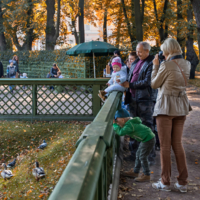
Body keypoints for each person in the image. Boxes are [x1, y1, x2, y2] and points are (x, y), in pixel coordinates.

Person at [151, 38, 191, 192]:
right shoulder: (187, 64)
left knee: (165, 146)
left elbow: (154, 84)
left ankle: (165, 182)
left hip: (166, 108)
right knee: (178, 145)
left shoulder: (165, 65)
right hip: (181, 107)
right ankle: (182, 182)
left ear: (167, 50)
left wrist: (156, 66)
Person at [121, 42, 157, 164]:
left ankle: (149, 156)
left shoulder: (152, 62)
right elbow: (131, 76)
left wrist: (130, 85)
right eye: (137, 51)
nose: (138, 53)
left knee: (146, 127)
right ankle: (134, 154)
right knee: (133, 126)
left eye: (140, 51)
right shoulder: (136, 61)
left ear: (147, 51)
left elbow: (148, 81)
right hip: (133, 99)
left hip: (145, 100)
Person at [113, 108, 155, 182]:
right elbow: (122, 129)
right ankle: (135, 172)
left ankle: (147, 175)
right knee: (138, 154)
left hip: (148, 139)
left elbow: (120, 132)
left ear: (123, 120)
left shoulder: (129, 125)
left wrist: (114, 125)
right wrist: (117, 124)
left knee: (142, 156)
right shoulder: (129, 122)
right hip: (146, 138)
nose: (117, 122)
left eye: (117, 120)